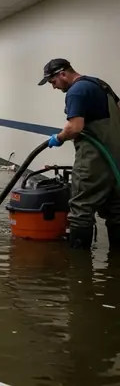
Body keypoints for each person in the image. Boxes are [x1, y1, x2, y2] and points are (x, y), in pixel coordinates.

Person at [39, 58, 120, 250]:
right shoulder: (100, 84)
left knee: (81, 209)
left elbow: (75, 127)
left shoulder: (75, 91)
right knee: (117, 209)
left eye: (53, 82)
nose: (54, 87)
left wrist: (58, 138)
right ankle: (115, 266)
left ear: (62, 74)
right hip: (116, 158)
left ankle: (78, 269)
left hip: (93, 160)